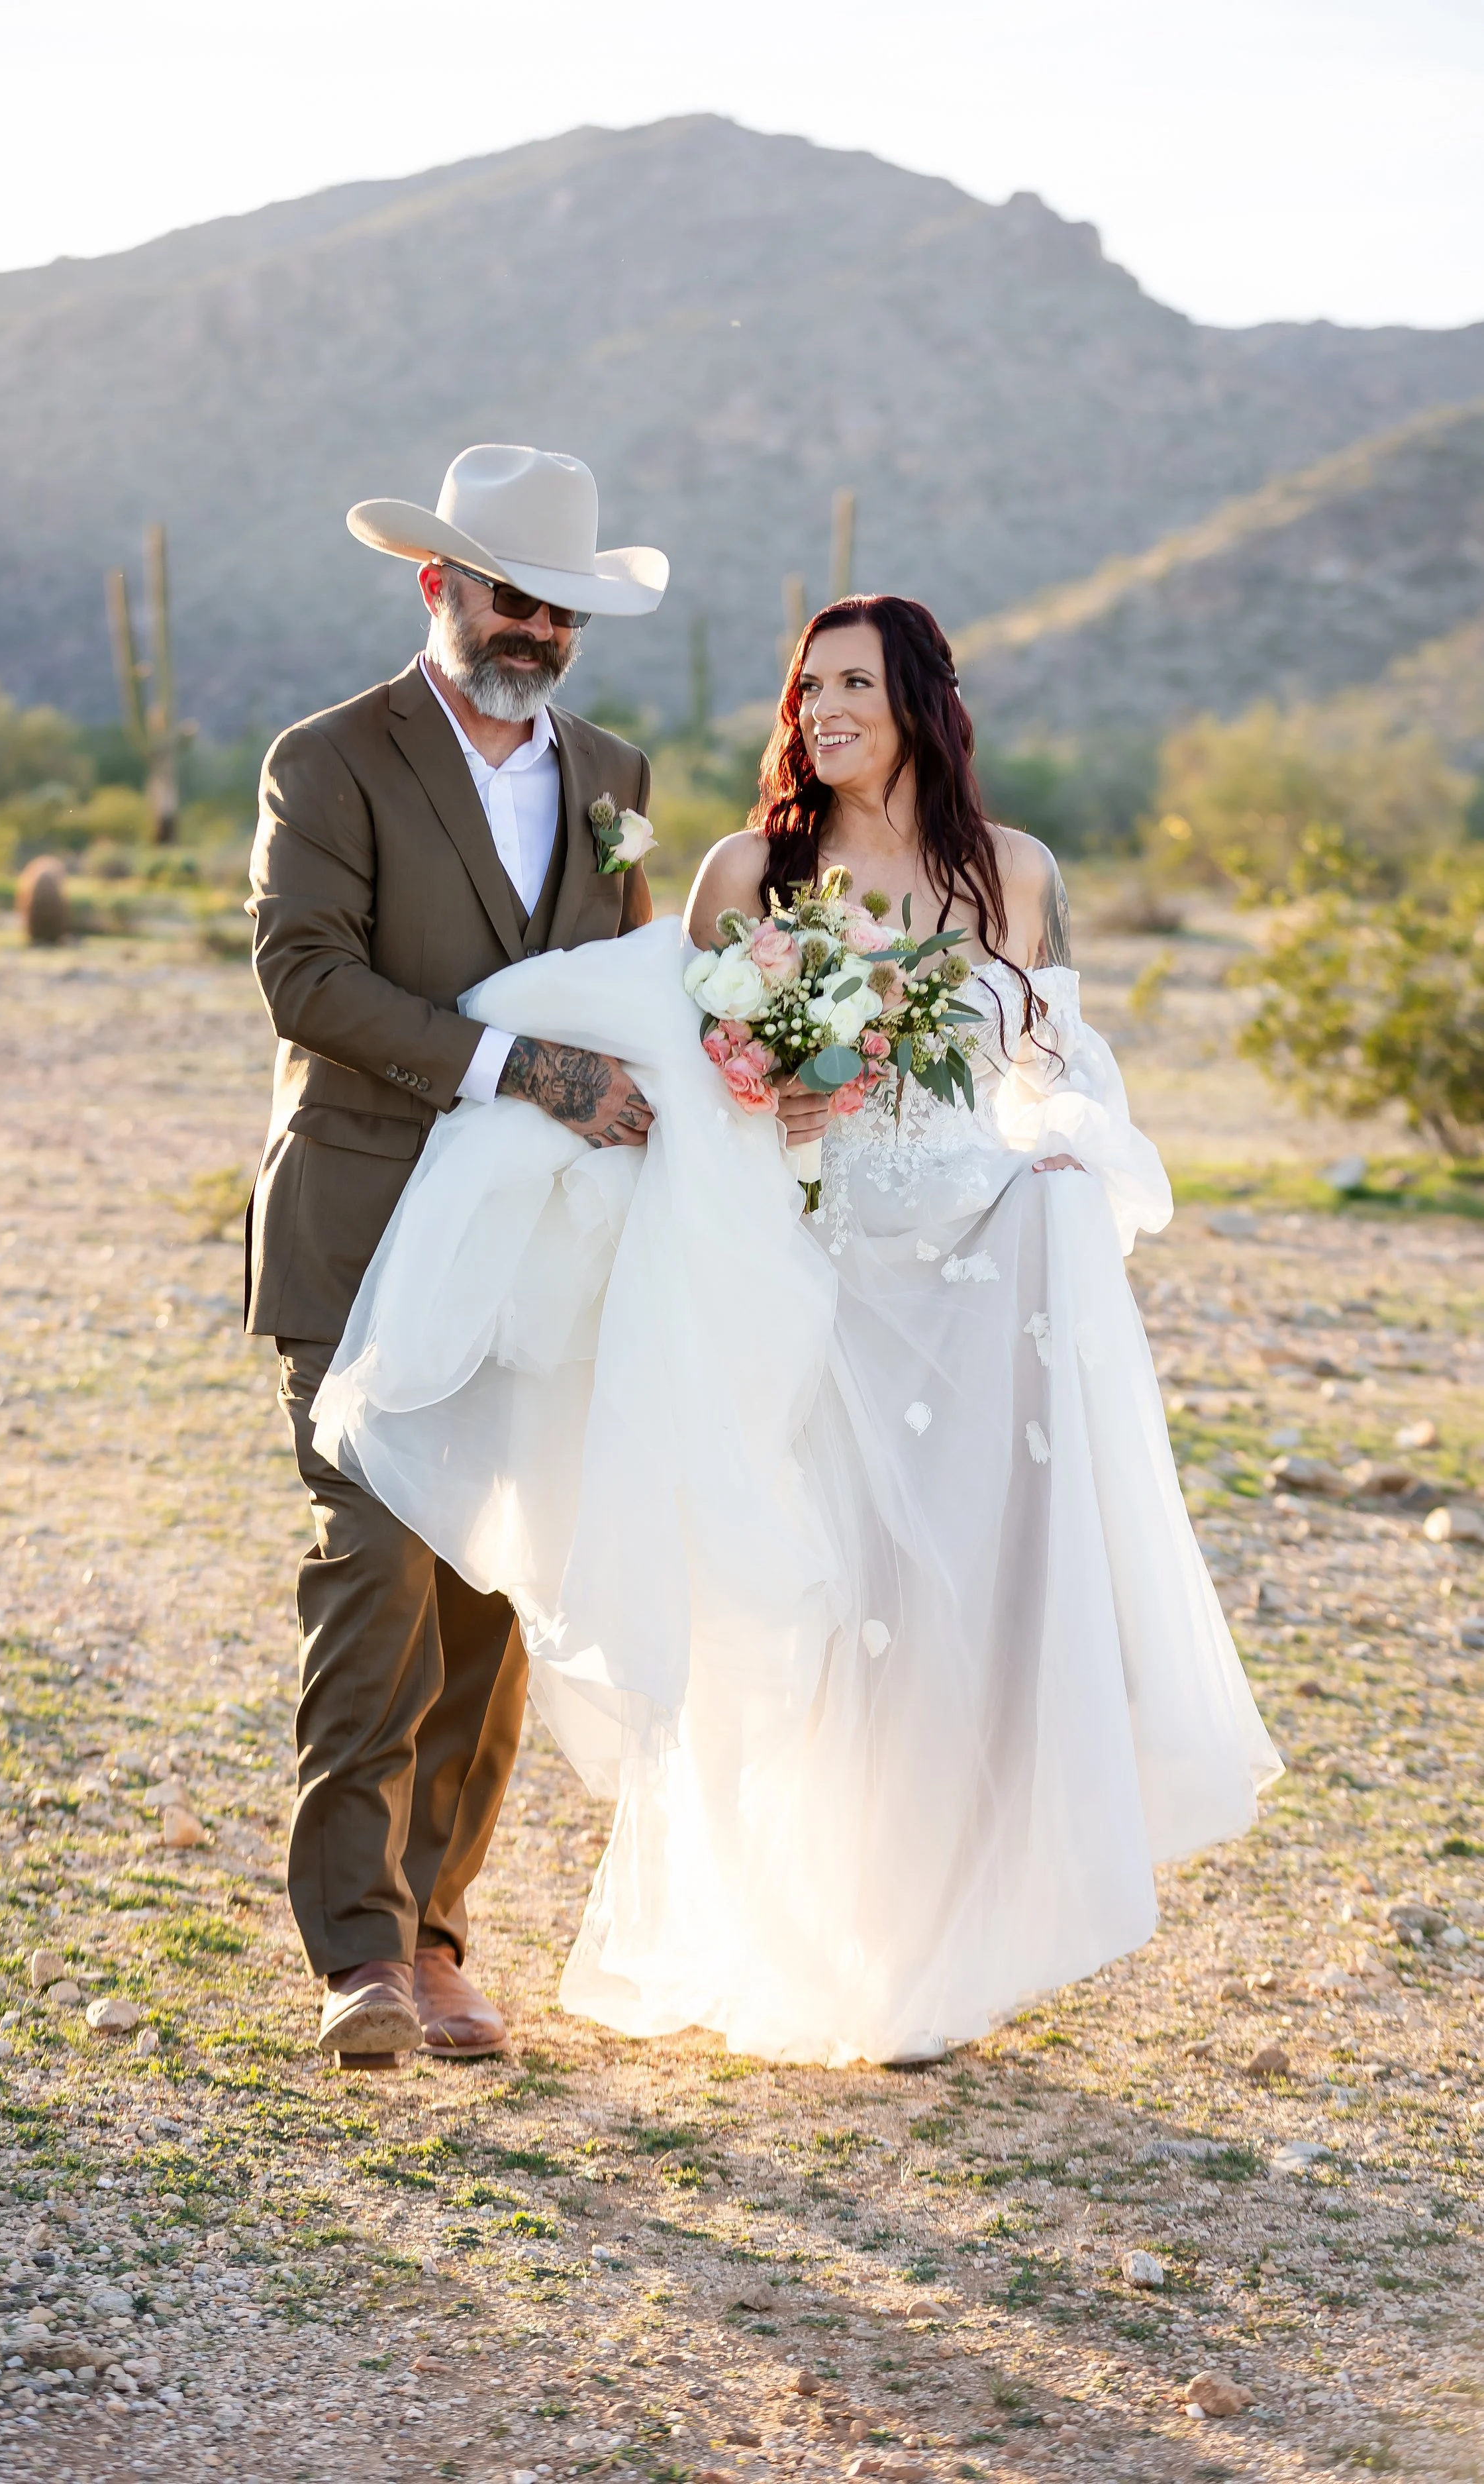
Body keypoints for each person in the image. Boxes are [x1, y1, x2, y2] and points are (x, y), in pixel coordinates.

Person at [312, 594, 1281, 2067]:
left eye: (850, 683)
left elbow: (1054, 1068)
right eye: (804, 686)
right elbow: (695, 1077)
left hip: (974, 1279)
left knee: (962, 1621)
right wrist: (773, 1096)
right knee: (822, 1618)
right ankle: (812, 1951)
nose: (820, 709)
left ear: (917, 698)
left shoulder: (1012, 872)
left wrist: (1065, 1145)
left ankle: (936, 1961)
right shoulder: (744, 872)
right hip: (808, 1273)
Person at [246, 444, 667, 2066]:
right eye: (513, 596)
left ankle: (434, 1937)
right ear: (439, 585)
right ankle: (352, 1958)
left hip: (531, 1247)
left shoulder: (613, 769)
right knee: (377, 1575)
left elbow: (624, 984)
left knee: (493, 1587)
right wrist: (519, 1069)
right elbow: (303, 975)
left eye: (563, 610)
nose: (540, 631)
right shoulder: (330, 759)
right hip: (359, 1221)